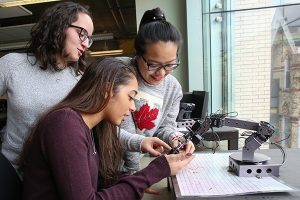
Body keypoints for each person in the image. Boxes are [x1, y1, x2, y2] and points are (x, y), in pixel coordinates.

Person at [20, 57, 195, 200]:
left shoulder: (85, 126)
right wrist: (153, 172)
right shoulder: (65, 126)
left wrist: (130, 181)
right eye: (130, 97)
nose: (133, 107)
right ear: (106, 90)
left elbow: (88, 182)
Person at [0, 2, 94, 169]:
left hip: (55, 174)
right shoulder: (12, 64)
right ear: (59, 25)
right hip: (10, 169)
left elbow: (100, 125)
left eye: (89, 38)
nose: (86, 44)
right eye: (82, 33)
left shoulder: (81, 80)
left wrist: (138, 142)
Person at [118, 7, 195, 173]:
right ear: (138, 53)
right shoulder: (118, 71)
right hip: (104, 168)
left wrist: (176, 139)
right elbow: (101, 128)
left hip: (135, 170)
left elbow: (165, 127)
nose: (161, 73)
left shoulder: (173, 88)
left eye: (169, 65)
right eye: (153, 64)